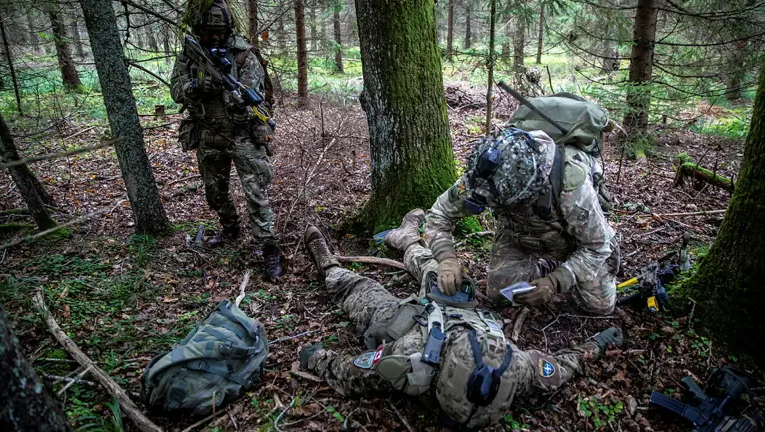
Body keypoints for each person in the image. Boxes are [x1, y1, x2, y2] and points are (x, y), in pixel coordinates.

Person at [300, 211, 624, 430]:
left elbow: (350, 373)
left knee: (361, 290)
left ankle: (327, 263)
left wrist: (315, 358)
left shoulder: (409, 358)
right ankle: (407, 238)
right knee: (435, 272)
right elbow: (565, 365)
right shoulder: (520, 370)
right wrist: (599, 343)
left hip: (409, 323)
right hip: (460, 312)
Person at [424, 126, 619, 315]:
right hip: (520, 233)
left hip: (576, 241)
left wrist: (556, 281)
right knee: (501, 296)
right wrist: (446, 259)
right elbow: (439, 214)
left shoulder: (571, 186)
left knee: (599, 306)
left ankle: (561, 266)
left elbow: (597, 246)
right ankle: (548, 266)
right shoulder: (482, 177)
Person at [170, 0, 282, 279]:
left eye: (221, 31)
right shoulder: (190, 54)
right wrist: (197, 86)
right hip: (209, 132)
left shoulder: (243, 54)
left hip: (242, 134)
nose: (217, 37)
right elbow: (175, 90)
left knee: (256, 193)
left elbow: (254, 93)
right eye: (211, 31)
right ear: (201, 29)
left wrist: (238, 100)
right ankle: (230, 228)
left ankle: (269, 249)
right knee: (215, 192)